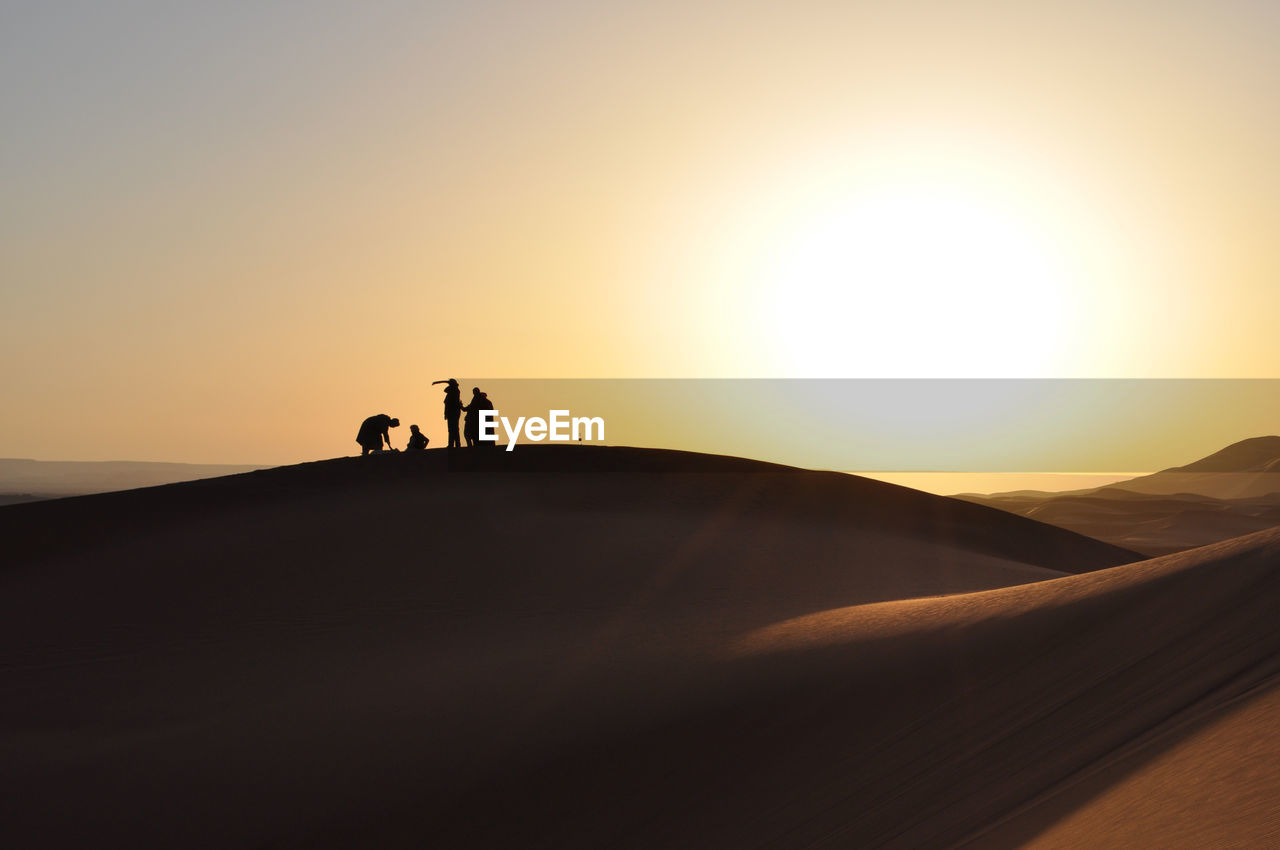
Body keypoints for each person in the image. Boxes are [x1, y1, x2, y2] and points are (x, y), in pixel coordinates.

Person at [432, 379, 464, 449]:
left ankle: (455, 444)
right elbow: (446, 390)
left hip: (454, 412)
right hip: (451, 412)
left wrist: (446, 382)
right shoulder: (452, 390)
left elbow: (446, 390)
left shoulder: (455, 390)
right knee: (451, 429)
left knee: (454, 428)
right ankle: (452, 444)